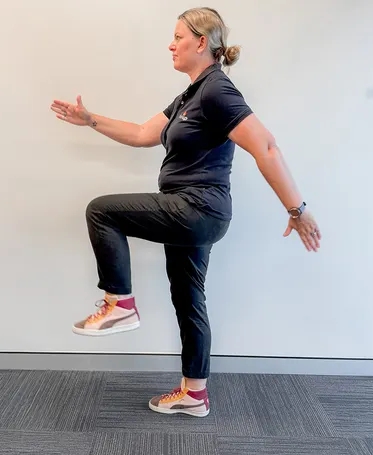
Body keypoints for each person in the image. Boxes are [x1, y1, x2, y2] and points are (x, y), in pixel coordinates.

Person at [50, 7, 321, 418]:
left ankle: (119, 304)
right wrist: (90, 120)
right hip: (193, 213)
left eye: (178, 37)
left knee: (101, 211)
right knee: (188, 297)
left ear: (201, 42)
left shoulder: (216, 91)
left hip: (196, 207)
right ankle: (194, 394)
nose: (171, 45)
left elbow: (265, 146)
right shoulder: (189, 96)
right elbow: (142, 133)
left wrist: (297, 209)